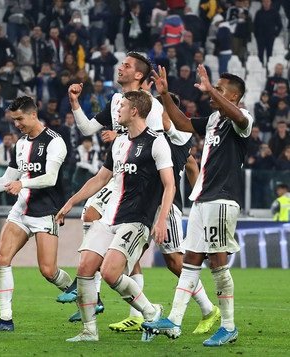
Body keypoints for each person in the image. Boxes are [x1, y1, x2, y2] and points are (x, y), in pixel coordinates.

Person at [143, 65, 252, 347]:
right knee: (191, 259)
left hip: (223, 199)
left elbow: (238, 116)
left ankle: (228, 326)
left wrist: (210, 88)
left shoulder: (242, 120)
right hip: (202, 199)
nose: (211, 90)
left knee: (217, 262)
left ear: (234, 95)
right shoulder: (215, 119)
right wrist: (165, 95)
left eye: (219, 87)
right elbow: (183, 123)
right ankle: (175, 319)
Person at [57, 90, 175, 342]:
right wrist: (71, 202)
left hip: (136, 220)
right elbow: (101, 178)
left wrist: (162, 218)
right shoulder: (119, 142)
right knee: (85, 268)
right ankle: (89, 331)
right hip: (108, 217)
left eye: (121, 106)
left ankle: (152, 312)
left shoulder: (156, 142)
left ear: (134, 111)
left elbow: (169, 185)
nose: (117, 109)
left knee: (110, 273)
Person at [0, 96, 71, 332]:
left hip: (46, 212)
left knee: (48, 270)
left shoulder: (55, 142)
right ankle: (5, 320)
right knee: (1, 258)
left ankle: (81, 293)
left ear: (33, 114)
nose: (17, 124)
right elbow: (8, 180)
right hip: (21, 210)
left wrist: (23, 185)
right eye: (13, 120)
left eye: (20, 119)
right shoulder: (21, 144)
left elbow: (50, 178)